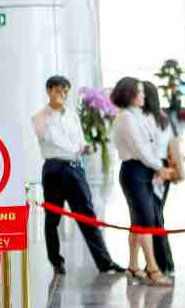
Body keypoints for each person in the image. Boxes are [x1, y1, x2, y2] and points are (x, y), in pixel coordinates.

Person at [32, 75, 120, 275]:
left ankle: (105, 262)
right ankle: (56, 261)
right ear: (49, 90)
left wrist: (83, 148)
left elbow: (79, 140)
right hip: (54, 168)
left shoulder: (71, 115)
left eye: (65, 91)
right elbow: (51, 139)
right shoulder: (40, 117)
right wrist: (77, 148)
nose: (61, 94)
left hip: (74, 168)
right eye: (57, 90)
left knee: (87, 215)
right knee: (53, 217)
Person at [112, 76, 171, 287]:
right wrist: (160, 167)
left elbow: (150, 144)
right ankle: (153, 269)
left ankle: (133, 266)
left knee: (138, 221)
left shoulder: (136, 115)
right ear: (129, 94)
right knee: (145, 220)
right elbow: (140, 149)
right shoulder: (125, 117)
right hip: (134, 171)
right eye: (139, 91)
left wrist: (156, 167)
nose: (143, 95)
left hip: (143, 171)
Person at [142, 81, 178, 279]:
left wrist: (159, 169)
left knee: (154, 216)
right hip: (162, 166)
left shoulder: (147, 118)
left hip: (155, 169)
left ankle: (161, 264)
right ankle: (162, 262)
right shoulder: (163, 117)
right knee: (156, 215)